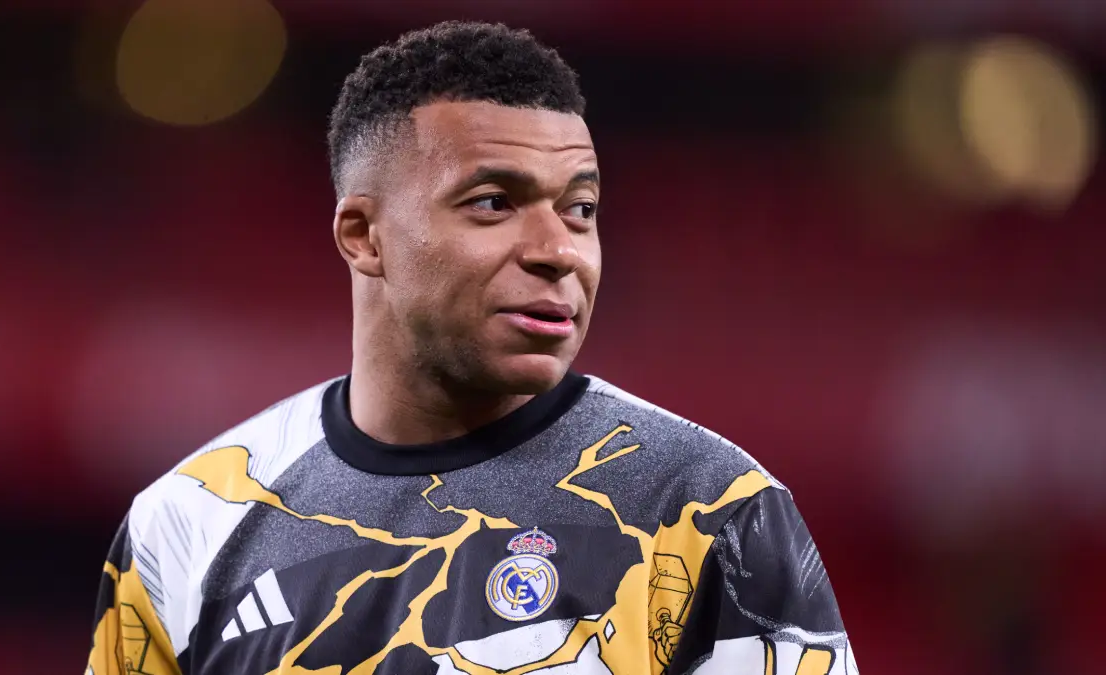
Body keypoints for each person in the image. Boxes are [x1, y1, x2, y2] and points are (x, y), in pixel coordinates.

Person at [86, 20, 858, 675]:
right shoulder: (184, 525)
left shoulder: (708, 510)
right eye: (494, 202)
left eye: (581, 208)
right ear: (364, 236)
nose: (561, 250)